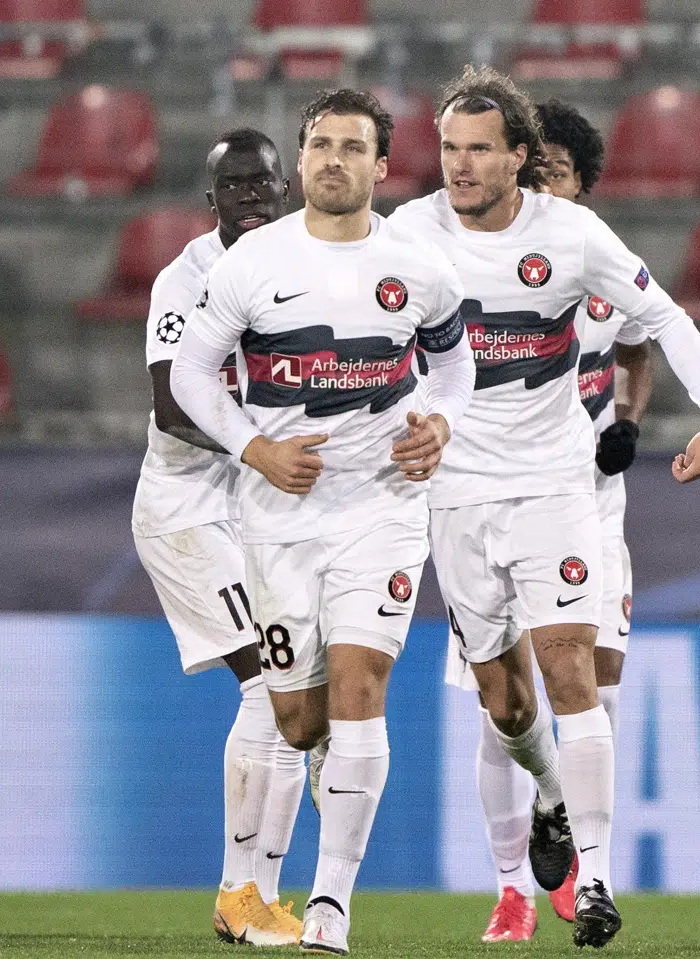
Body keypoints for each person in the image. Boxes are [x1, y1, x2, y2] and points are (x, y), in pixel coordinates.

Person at [390, 66, 700, 949]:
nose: (458, 167)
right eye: (449, 150)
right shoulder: (409, 232)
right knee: (505, 707)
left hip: (556, 486)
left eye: (478, 152)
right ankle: (543, 810)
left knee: (575, 674)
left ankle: (597, 879)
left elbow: (665, 319)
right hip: (457, 495)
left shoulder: (573, 236)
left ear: (517, 159)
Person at [170, 89, 476, 957]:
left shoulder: (420, 266)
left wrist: (439, 424)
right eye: (320, 145)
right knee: (297, 721)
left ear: (382, 166)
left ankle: (331, 905)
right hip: (277, 516)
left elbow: (455, 370)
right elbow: (193, 375)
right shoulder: (250, 264)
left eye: (353, 146)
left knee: (360, 691)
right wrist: (252, 447)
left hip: (381, 508)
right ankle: (285, 836)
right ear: (301, 159)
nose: (333, 159)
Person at [439, 97, 654, 944]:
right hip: (491, 494)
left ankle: (573, 838)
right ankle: (510, 887)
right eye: (532, 174)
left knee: (594, 683)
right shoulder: (477, 260)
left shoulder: (599, 262)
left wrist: (630, 420)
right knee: (504, 702)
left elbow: (640, 348)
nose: (540, 188)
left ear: (583, 182)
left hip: (589, 504)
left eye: (555, 174)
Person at [132, 127, 306, 947]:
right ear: (211, 201)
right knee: (269, 690)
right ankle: (238, 891)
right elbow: (171, 404)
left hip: (257, 513)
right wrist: (261, 443)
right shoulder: (187, 278)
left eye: (258, 182)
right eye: (229, 185)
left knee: (293, 696)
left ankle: (260, 894)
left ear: (282, 188)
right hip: (187, 508)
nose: (246, 195)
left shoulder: (303, 270)